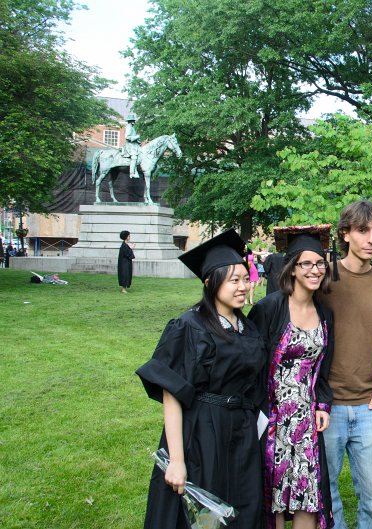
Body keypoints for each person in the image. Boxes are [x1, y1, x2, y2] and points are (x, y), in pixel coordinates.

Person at [136, 230, 267, 529]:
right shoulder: (189, 326)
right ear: (210, 281)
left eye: (245, 279)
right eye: (234, 280)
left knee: (242, 508)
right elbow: (172, 393)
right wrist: (177, 460)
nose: (243, 287)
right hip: (202, 433)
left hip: (242, 434)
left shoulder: (246, 327)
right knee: (201, 513)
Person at [248, 225, 336, 528]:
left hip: (306, 420)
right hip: (272, 417)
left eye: (320, 263)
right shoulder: (269, 308)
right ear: (293, 268)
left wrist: (323, 404)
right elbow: (251, 365)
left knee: (307, 495)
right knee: (271, 495)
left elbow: (324, 368)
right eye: (307, 264)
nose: (315, 270)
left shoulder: (325, 314)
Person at [319, 200, 372, 529]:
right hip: (326, 406)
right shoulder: (324, 278)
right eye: (363, 230)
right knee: (328, 495)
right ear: (345, 234)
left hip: (368, 407)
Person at [122, 113, 142, 178]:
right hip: (130, 145)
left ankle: (137, 171)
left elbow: (133, 137)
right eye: (133, 120)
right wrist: (137, 137)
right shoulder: (129, 127)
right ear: (130, 121)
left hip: (134, 145)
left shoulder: (132, 128)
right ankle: (132, 173)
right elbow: (127, 137)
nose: (134, 122)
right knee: (134, 157)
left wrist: (138, 141)